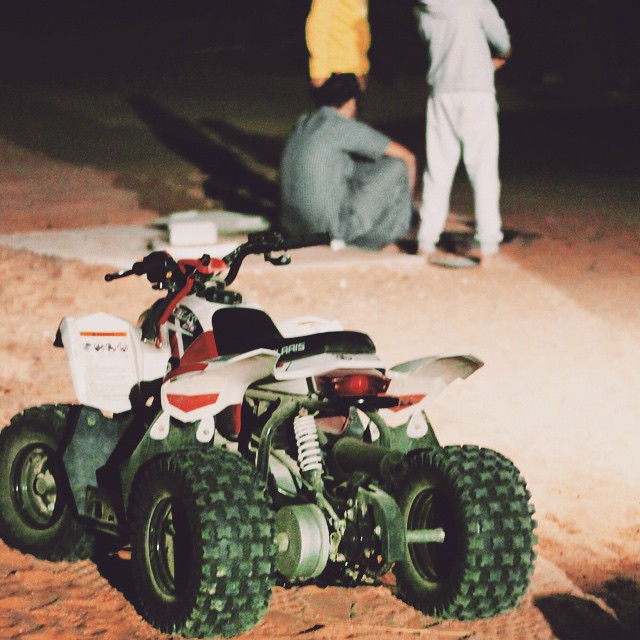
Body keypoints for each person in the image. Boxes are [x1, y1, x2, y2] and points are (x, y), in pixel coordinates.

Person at [414, 0, 512, 261]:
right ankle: (488, 242)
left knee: (437, 170)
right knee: (483, 170)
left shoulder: (423, 8)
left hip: (442, 92)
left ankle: (427, 240)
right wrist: (499, 55)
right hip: (476, 90)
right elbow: (500, 37)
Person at [279, 73, 416, 250]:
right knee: (398, 167)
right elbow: (407, 157)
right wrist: (408, 204)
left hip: (292, 227)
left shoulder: (304, 122)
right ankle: (386, 238)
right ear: (351, 101)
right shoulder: (339, 124)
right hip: (328, 231)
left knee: (356, 170)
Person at [306, 0, 371, 90]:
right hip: (333, 71)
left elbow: (360, 31)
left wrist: (360, 68)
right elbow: (318, 26)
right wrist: (320, 70)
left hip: (352, 69)